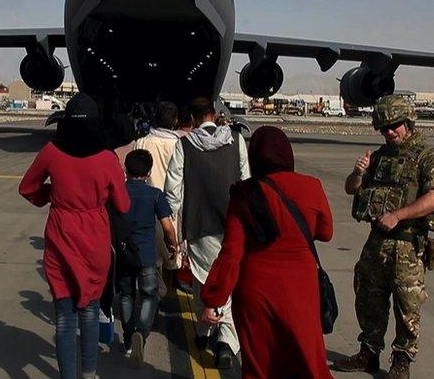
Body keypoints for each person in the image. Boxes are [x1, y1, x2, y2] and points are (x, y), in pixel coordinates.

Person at [333, 95, 434, 379]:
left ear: (408, 122)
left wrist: (398, 215)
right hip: (377, 242)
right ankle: (369, 352)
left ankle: (402, 359)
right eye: (384, 128)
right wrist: (357, 173)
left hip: (408, 244)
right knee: (368, 297)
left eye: (394, 126)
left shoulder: (426, 157)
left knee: (407, 304)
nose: (389, 132)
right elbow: (351, 189)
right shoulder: (379, 157)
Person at [200, 126, 333, 379]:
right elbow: (325, 233)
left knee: (260, 363)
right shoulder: (311, 186)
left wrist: (213, 298)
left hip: (256, 288)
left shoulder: (244, 193)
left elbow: (231, 253)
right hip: (301, 287)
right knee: (307, 359)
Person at [18, 93, 130, 379]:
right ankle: (89, 373)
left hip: (60, 234)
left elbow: (27, 188)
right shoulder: (107, 158)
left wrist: (52, 196)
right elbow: (123, 205)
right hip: (94, 238)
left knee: (64, 316)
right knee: (90, 309)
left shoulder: (51, 152)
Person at [165, 96, 250, 369]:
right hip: (232, 224)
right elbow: (246, 181)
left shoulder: (184, 145)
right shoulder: (236, 141)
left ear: (191, 118)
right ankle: (226, 341)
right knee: (230, 280)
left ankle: (204, 332)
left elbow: (173, 190)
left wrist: (173, 229)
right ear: (214, 114)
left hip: (199, 225)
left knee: (203, 281)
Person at [117, 149, 179, 367]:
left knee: (125, 295)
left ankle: (127, 337)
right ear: (149, 171)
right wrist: (173, 245)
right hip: (146, 254)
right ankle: (141, 332)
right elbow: (167, 226)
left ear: (126, 169)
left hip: (124, 253)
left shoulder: (118, 192)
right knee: (149, 295)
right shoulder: (155, 195)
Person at [133, 101, 182, 276]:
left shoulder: (143, 143)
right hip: (175, 210)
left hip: (149, 209)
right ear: (175, 121)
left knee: (153, 258)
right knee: (174, 252)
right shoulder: (181, 145)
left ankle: (157, 292)